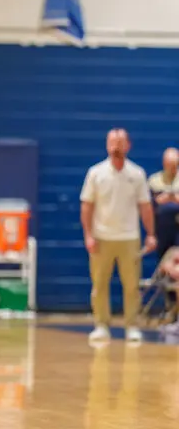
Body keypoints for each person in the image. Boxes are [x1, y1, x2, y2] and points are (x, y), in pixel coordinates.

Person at [79, 128, 155, 344]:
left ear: (128, 146)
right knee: (100, 284)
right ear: (106, 145)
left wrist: (150, 234)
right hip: (101, 237)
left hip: (129, 237)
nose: (115, 147)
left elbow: (145, 207)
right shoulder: (95, 173)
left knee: (131, 285)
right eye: (112, 142)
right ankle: (101, 325)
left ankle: (131, 326)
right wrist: (88, 235)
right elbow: (87, 206)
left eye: (120, 143)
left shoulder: (137, 174)